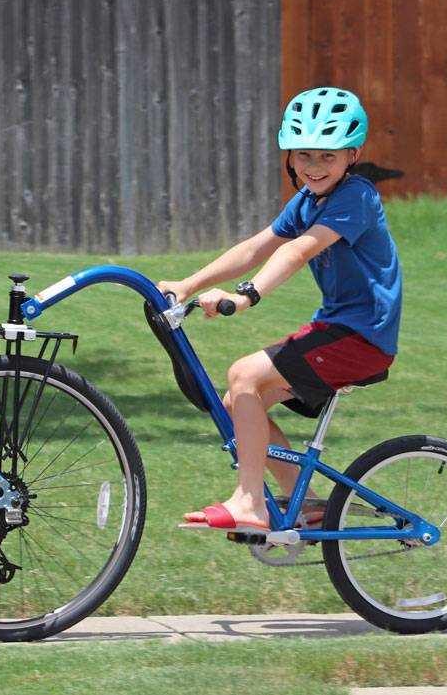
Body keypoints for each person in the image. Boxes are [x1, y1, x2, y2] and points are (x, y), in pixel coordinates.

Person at [157, 87, 402, 532]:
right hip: (339, 330)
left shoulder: (355, 198)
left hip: (364, 336)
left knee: (244, 374)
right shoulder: (307, 201)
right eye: (303, 154)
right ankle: (305, 503)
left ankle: (249, 502)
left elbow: (297, 253)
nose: (313, 166)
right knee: (236, 402)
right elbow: (255, 247)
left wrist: (245, 296)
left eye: (327, 156)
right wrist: (186, 284)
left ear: (353, 154)